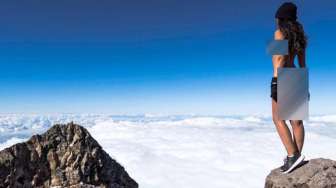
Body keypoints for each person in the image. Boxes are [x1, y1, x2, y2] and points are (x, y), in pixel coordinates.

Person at [271, 2, 308, 174]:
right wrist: (304, 85)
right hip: (297, 76)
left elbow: (279, 60)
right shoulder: (301, 37)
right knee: (297, 122)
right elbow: (302, 64)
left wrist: (275, 81)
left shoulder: (279, 33)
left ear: (281, 18)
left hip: (283, 76)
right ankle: (297, 158)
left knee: (278, 119)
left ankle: (293, 156)